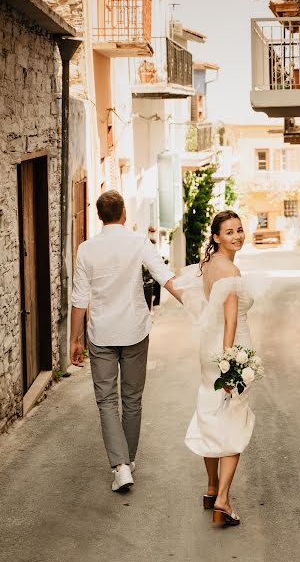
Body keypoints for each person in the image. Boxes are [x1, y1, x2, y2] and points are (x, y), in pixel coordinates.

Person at [70, 190, 182, 492]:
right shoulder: (137, 242)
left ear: (99, 216)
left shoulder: (86, 249)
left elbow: (79, 298)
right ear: (123, 214)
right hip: (134, 330)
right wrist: (194, 302)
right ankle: (128, 461)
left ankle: (120, 466)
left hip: (102, 333)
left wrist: (74, 340)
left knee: (106, 400)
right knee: (132, 399)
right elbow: (164, 275)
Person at [175, 210, 256, 526]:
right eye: (230, 232)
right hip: (229, 349)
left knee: (210, 413)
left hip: (207, 346)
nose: (237, 236)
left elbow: (201, 302)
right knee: (233, 419)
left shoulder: (207, 264)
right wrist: (229, 364)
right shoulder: (231, 270)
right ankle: (223, 500)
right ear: (217, 237)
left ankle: (210, 488)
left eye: (240, 230)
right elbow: (232, 319)